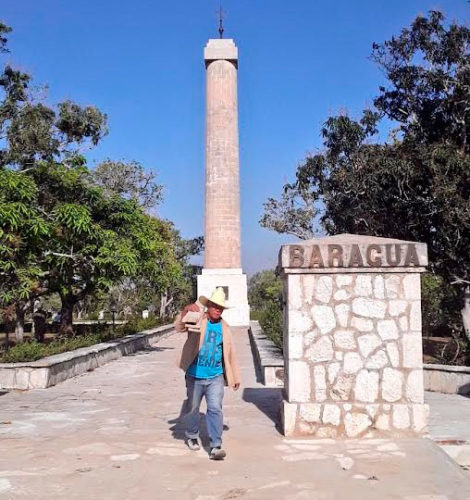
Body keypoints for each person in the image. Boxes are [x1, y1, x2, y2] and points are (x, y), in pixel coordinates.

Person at [174, 287, 240, 460]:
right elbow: (179, 327)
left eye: (221, 307)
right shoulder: (198, 319)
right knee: (193, 408)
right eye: (215, 306)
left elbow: (230, 353)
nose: (218, 309)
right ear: (208, 306)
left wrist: (234, 377)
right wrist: (185, 310)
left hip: (215, 376)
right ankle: (192, 435)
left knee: (215, 409)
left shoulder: (225, 328)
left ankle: (215, 445)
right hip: (195, 374)